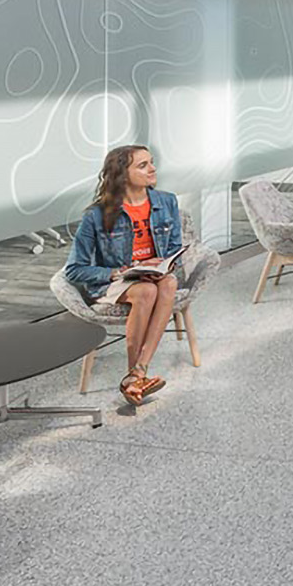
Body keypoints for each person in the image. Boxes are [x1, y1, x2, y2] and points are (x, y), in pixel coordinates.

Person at [64, 145, 184, 405]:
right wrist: (118, 272)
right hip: (117, 282)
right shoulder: (96, 216)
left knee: (168, 282)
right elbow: (74, 269)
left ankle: (137, 373)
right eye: (143, 165)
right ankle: (136, 376)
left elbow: (176, 249)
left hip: (155, 275)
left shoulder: (167, 201)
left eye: (151, 162)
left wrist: (164, 264)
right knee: (146, 290)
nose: (152, 169)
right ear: (122, 174)